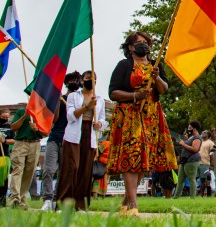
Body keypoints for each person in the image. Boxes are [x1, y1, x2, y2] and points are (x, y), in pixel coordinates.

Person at [107, 32, 177, 217]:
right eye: (139, 43)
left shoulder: (156, 65)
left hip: (151, 118)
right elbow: (113, 92)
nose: (143, 45)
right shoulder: (124, 65)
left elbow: (164, 90)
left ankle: (123, 204)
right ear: (130, 47)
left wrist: (157, 77)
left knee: (144, 163)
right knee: (131, 160)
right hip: (130, 117)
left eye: (146, 42)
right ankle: (133, 205)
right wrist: (135, 96)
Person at [56, 70, 107, 211]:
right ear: (82, 81)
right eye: (87, 78)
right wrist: (87, 107)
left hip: (89, 135)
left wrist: (100, 125)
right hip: (73, 134)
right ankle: (63, 204)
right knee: (72, 168)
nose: (90, 80)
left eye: (93, 78)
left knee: (85, 171)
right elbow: (71, 116)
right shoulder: (73, 96)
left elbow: (103, 119)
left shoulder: (100, 99)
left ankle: (81, 206)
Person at [40, 71, 81, 211]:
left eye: (77, 80)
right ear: (66, 83)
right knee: (48, 170)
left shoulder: (79, 101)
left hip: (69, 140)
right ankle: (47, 199)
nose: (75, 82)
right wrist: (57, 102)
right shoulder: (60, 98)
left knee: (63, 173)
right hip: (55, 138)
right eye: (72, 80)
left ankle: (57, 199)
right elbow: (55, 119)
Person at [8, 107, 44, 209]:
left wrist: (37, 129)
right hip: (20, 143)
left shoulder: (42, 112)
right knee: (17, 169)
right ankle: (14, 198)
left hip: (35, 143)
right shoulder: (20, 111)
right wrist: (24, 116)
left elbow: (46, 133)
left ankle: (22, 200)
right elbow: (13, 127)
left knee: (29, 172)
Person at [173, 121, 202, 199]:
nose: (188, 129)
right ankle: (176, 197)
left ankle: (192, 197)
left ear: (194, 129)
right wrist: (186, 139)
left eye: (190, 128)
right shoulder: (191, 137)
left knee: (191, 179)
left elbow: (195, 149)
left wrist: (183, 144)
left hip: (191, 161)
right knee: (180, 179)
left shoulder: (197, 138)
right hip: (184, 161)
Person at [0, 109, 15, 207]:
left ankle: (2, 200)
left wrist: (4, 140)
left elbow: (14, 140)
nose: (5, 119)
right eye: (3, 117)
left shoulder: (10, 127)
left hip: (4, 156)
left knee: (3, 179)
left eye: (6, 117)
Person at [198, 130, 215, 197]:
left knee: (203, 180)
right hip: (197, 163)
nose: (202, 133)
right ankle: (197, 194)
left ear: (208, 135)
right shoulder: (199, 141)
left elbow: (212, 154)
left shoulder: (210, 143)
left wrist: (211, 164)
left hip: (205, 163)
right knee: (196, 179)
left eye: (204, 132)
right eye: (202, 132)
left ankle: (203, 195)